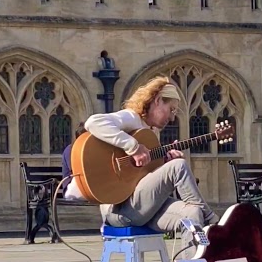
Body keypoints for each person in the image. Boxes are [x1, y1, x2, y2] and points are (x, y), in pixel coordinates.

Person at [62, 76, 217, 233]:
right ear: (157, 101)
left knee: (192, 214)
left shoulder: (150, 132)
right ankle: (212, 221)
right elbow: (93, 123)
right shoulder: (132, 118)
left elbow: (142, 178)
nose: (171, 117)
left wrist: (164, 164)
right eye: (171, 109)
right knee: (179, 166)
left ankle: (196, 256)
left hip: (143, 209)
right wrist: (133, 147)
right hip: (119, 210)